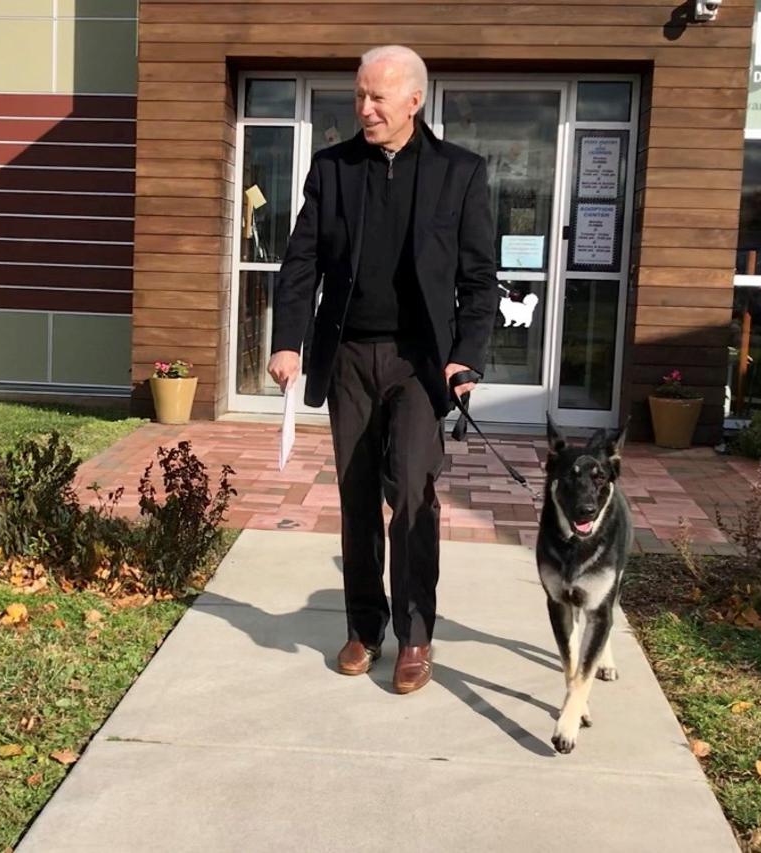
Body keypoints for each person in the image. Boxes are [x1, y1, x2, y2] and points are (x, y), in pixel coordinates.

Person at [267, 45, 498, 694]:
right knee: (357, 494)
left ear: (414, 101)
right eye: (359, 96)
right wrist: (288, 342)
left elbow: (480, 278)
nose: (364, 109)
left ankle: (415, 634)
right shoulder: (333, 168)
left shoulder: (460, 172)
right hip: (349, 355)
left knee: (414, 494)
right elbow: (302, 262)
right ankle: (364, 627)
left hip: (420, 362)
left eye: (378, 98)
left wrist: (467, 355)